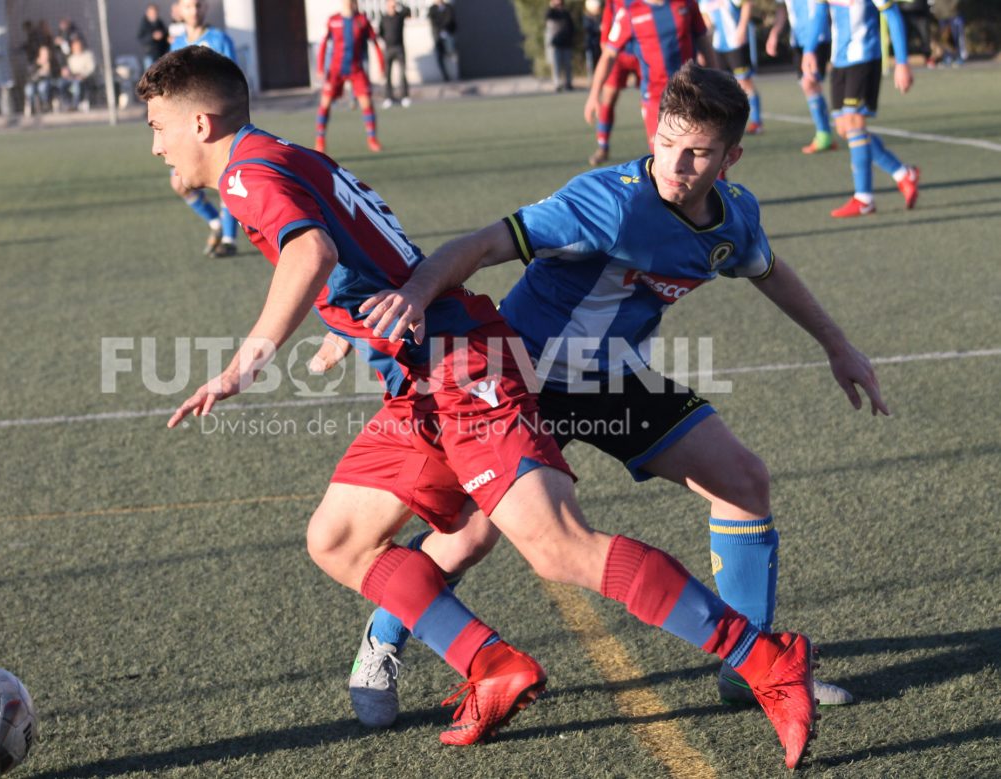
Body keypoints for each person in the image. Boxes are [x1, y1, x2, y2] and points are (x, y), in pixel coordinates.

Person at [138, 47, 818, 769]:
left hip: (466, 364)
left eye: (157, 126)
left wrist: (246, 363)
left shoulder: (245, 174)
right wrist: (352, 329)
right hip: (429, 368)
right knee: (337, 538)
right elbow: (359, 254)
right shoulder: (284, 155)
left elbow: (310, 254)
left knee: (555, 545)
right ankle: (490, 665)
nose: (155, 145)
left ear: (202, 123)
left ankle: (763, 656)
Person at [341, 58, 874, 730]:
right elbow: (481, 245)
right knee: (468, 534)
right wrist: (417, 293)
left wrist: (837, 345)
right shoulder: (607, 201)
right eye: (667, 141)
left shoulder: (733, 217)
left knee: (742, 479)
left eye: (698, 153)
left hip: (614, 377)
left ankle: (755, 668)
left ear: (731, 156)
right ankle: (382, 640)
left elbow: (767, 269)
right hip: (523, 382)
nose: (677, 163)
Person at [801, 0, 920, 217]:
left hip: (865, 57)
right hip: (839, 60)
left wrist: (902, 62)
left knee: (855, 123)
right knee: (845, 129)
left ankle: (864, 199)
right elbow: (818, 14)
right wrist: (809, 51)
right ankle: (904, 174)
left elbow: (892, 14)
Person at [585, 0, 712, 150]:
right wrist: (594, 95)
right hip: (655, 98)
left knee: (705, 150)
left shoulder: (686, 3)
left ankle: (719, 174)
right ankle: (603, 144)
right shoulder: (629, 12)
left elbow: (703, 41)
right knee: (663, 157)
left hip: (692, 90)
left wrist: (717, 78)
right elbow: (608, 55)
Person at [169, 0, 241, 257]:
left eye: (199, 5)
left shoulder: (220, 40)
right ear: (179, 9)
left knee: (224, 180)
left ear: (205, 8)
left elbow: (234, 81)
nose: (194, 10)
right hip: (186, 127)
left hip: (218, 124)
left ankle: (230, 239)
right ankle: (216, 223)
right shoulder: (176, 45)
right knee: (180, 183)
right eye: (189, 6)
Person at [766, 0, 837, 154]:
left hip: (818, 37)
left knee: (809, 83)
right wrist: (775, 33)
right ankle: (825, 133)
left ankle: (824, 134)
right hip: (798, 40)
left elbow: (823, 9)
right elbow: (782, 10)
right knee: (809, 86)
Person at [315, 0, 385, 154]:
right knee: (325, 103)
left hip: (356, 69)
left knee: (366, 103)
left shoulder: (362, 20)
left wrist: (381, 65)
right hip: (335, 70)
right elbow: (324, 44)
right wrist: (320, 67)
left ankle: (372, 139)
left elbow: (375, 43)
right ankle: (320, 140)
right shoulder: (333, 20)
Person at [587, 0, 642, 166]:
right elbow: (606, 35)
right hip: (619, 55)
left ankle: (658, 147)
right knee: (608, 97)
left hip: (645, 52)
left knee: (654, 101)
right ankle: (602, 147)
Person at [700, 0, 763, 133]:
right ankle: (726, 124)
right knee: (721, 85)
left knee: (744, 82)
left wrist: (741, 27)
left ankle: (756, 122)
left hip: (736, 43)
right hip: (718, 45)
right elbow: (705, 19)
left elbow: (747, 4)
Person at [379, 0, 410, 108]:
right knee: (387, 75)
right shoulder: (384, 18)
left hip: (399, 48)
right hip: (388, 49)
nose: (392, 6)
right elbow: (380, 33)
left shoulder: (400, 16)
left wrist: (399, 3)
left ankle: (404, 96)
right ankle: (388, 97)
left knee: (402, 73)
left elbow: (408, 12)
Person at [545, 0, 576, 92]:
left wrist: (571, 38)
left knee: (567, 65)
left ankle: (568, 83)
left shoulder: (566, 14)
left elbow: (571, 27)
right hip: (556, 44)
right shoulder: (552, 13)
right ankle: (557, 84)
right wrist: (552, 6)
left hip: (566, 43)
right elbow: (547, 16)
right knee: (556, 65)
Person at [23, 43, 59, 116]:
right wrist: (39, 72)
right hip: (34, 82)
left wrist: (48, 70)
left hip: (48, 83)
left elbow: (56, 74)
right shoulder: (34, 63)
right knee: (29, 89)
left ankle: (45, 105)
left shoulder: (52, 62)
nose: (45, 55)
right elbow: (30, 75)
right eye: (43, 54)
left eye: (47, 54)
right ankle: (31, 106)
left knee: (42, 87)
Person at [64, 36, 97, 111]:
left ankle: (75, 105)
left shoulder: (88, 55)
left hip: (84, 79)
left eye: (78, 46)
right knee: (62, 84)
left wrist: (83, 75)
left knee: (77, 84)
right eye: (75, 46)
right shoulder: (71, 58)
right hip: (73, 78)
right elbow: (70, 70)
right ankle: (67, 104)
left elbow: (91, 68)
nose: (77, 48)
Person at [428, 0, 457, 82]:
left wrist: (445, 29)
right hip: (438, 35)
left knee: (451, 53)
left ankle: (455, 75)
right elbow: (432, 20)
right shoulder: (433, 9)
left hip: (448, 33)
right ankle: (446, 77)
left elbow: (450, 19)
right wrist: (440, 30)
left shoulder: (448, 7)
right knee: (439, 56)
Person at [931, 0, 966, 65]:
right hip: (941, 15)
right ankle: (947, 57)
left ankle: (958, 56)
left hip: (953, 14)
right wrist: (936, 11)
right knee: (944, 37)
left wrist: (952, 7)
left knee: (955, 35)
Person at [138, 4, 171, 71]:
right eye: (152, 13)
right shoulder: (144, 24)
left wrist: (164, 37)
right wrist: (152, 36)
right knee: (150, 74)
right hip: (150, 54)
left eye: (155, 13)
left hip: (160, 54)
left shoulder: (159, 22)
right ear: (148, 13)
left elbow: (165, 34)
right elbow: (141, 38)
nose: (154, 15)